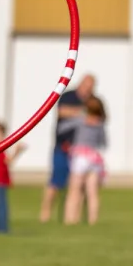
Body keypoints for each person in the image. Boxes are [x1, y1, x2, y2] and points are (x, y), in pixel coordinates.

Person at [40, 74, 95, 223]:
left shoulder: (92, 100)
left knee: (78, 183)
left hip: (81, 149)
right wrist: (82, 113)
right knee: (56, 181)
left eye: (91, 88)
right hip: (63, 147)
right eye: (86, 86)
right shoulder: (68, 96)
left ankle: (72, 218)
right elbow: (62, 111)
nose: (88, 90)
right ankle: (45, 213)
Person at [62, 95, 108, 226]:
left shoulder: (80, 120)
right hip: (94, 158)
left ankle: (70, 219)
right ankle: (92, 220)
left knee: (74, 190)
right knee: (92, 193)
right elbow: (103, 142)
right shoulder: (100, 123)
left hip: (80, 157)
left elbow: (63, 128)